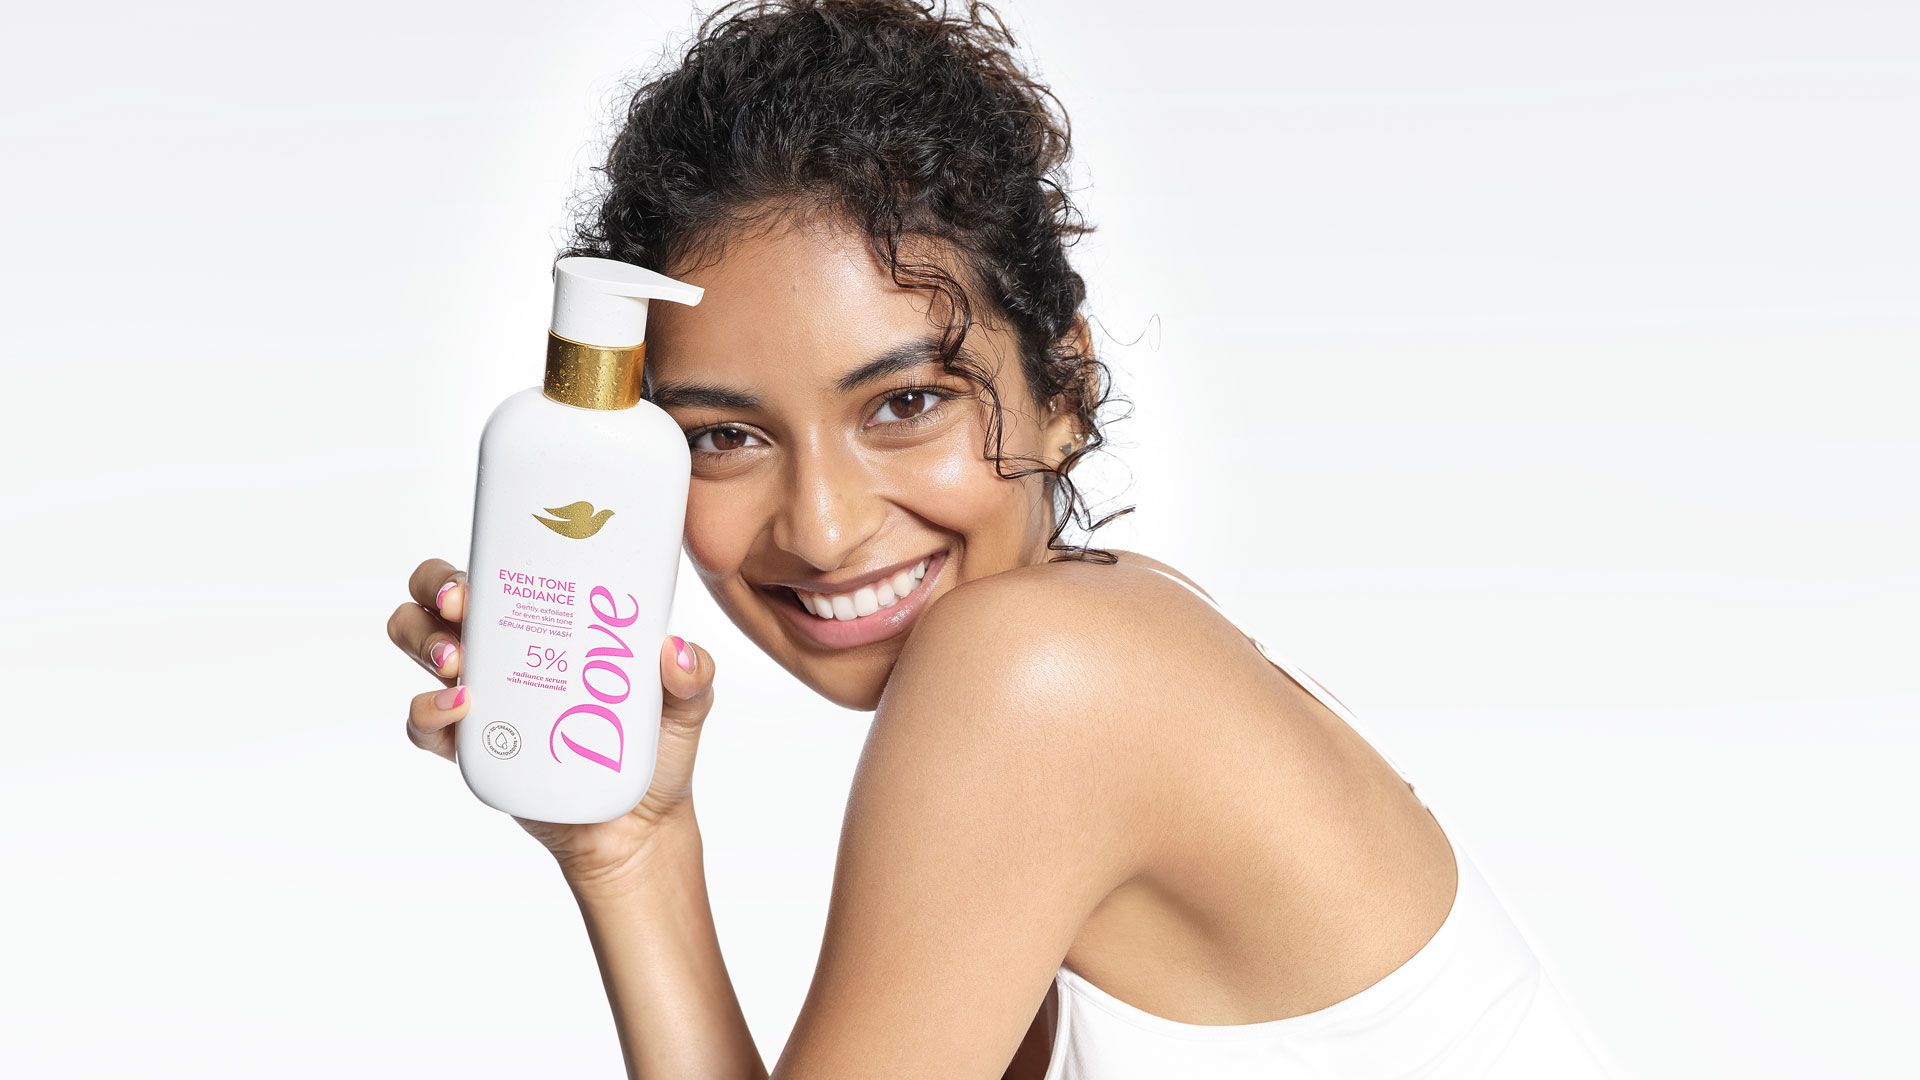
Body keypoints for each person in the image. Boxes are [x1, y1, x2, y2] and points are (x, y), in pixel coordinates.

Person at [385, 2, 1613, 1075]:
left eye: (907, 404)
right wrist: (630, 849)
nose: (822, 528)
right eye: (725, 438)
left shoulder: (1040, 671)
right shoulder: (1111, 633)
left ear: (1065, 391)